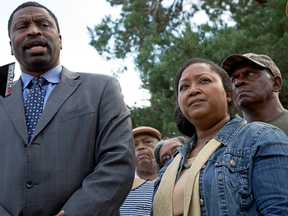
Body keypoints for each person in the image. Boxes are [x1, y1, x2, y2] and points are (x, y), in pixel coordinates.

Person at [0, 2, 135, 216]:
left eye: (43, 24)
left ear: (60, 40)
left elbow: (118, 160)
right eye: (22, 27)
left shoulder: (102, 88)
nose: (34, 31)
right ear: (10, 45)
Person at [151, 58, 288, 216]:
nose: (193, 90)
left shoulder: (262, 138)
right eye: (184, 87)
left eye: (204, 80)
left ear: (228, 94)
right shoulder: (168, 168)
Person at [221, 53, 288, 136]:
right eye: (234, 79)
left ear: (275, 83)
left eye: (249, 74)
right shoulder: (227, 137)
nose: (238, 82)